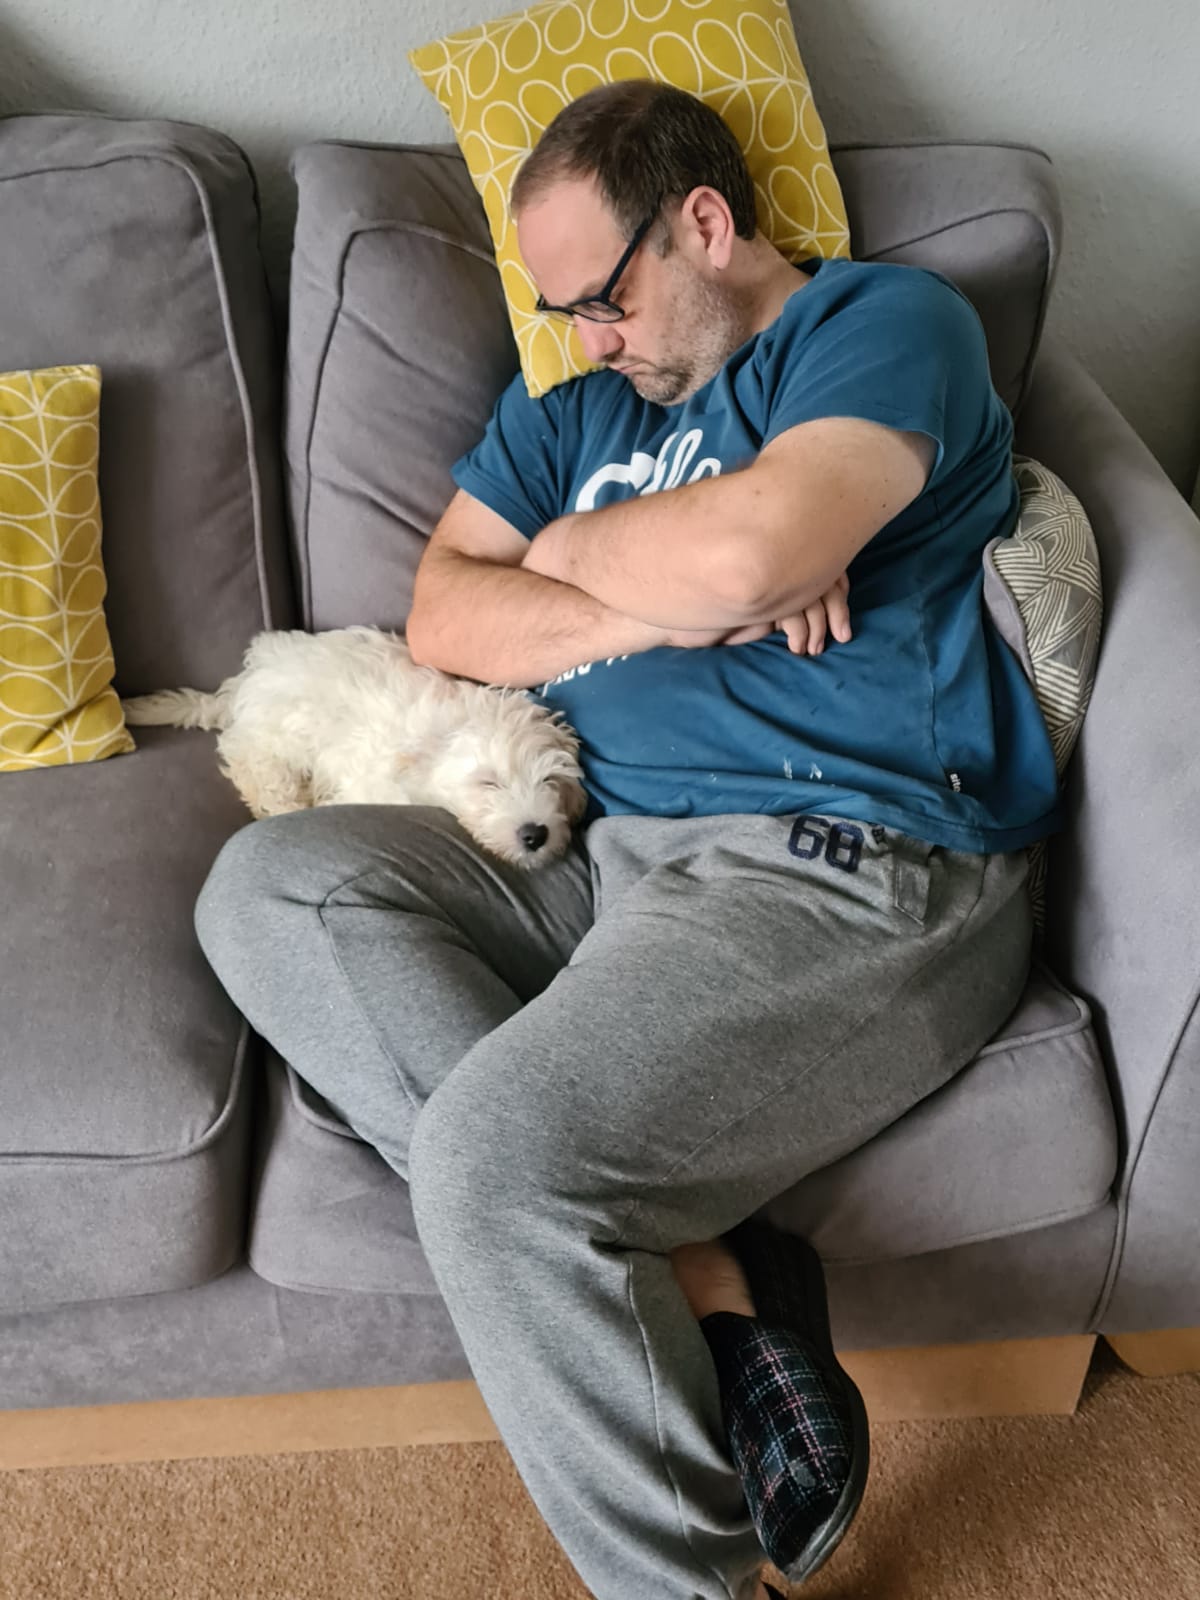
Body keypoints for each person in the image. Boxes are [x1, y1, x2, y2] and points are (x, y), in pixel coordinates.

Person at [194, 79, 1061, 1600]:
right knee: (270, 886)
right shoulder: (572, 410)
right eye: (564, 314)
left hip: (846, 863)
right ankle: (718, 1283)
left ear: (705, 226)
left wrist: (586, 554)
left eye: (604, 299)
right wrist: (660, 586)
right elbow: (445, 614)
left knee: (496, 1169)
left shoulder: (876, 327)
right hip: (609, 858)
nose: (587, 341)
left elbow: (755, 549)